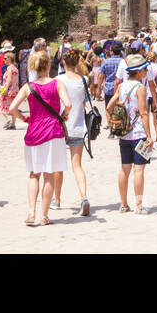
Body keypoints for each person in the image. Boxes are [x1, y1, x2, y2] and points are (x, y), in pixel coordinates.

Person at [8, 50, 71, 226]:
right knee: (49, 175)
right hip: (53, 132)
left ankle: (31, 212)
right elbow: (68, 104)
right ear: (49, 65)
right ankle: (44, 215)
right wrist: (63, 115)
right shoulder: (57, 83)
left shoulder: (28, 87)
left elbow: (12, 108)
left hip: (34, 132)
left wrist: (24, 119)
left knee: (34, 174)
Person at [115, 54, 155, 214]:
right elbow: (144, 113)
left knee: (125, 169)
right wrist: (149, 136)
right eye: (145, 69)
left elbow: (112, 104)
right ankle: (138, 205)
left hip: (124, 134)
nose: (146, 71)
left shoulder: (122, 86)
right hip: (138, 133)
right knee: (139, 170)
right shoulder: (140, 88)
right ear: (139, 71)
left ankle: (123, 204)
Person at [54, 49, 92, 216]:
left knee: (58, 166)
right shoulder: (84, 80)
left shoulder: (57, 80)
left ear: (63, 63)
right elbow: (84, 103)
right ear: (78, 63)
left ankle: (57, 199)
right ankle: (83, 197)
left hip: (60, 126)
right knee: (77, 166)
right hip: (78, 125)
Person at [0, 51, 20, 129]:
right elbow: (17, 80)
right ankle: (13, 124)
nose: (3, 60)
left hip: (6, 88)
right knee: (13, 107)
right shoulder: (15, 68)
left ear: (10, 59)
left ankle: (8, 120)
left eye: (5, 58)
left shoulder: (9, 68)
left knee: (1, 105)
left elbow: (9, 79)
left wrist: (5, 89)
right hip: (14, 89)